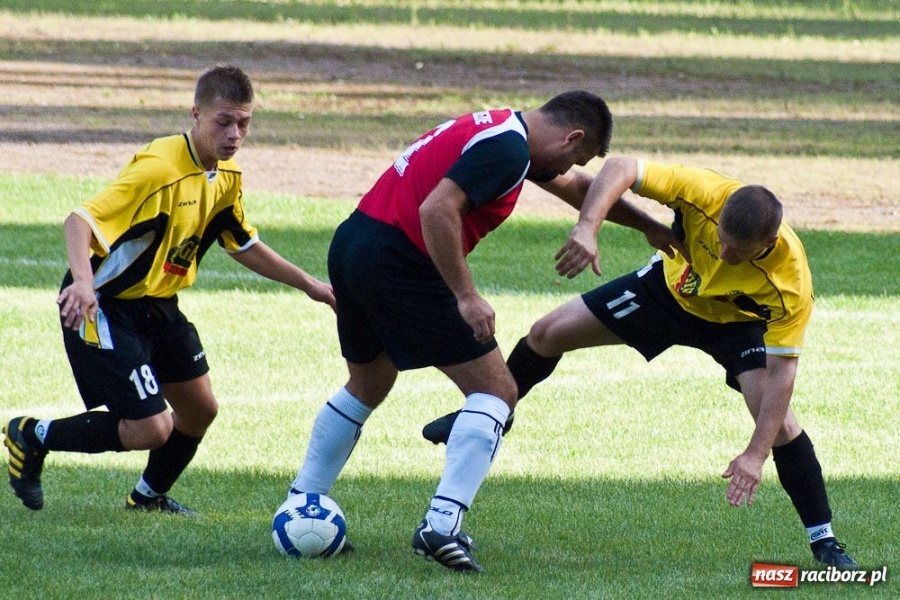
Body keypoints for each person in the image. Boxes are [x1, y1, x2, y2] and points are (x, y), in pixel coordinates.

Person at [422, 156, 858, 570]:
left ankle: (824, 541)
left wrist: (754, 455)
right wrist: (588, 226)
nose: (724, 255)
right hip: (667, 291)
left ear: (769, 242)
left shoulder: (790, 282)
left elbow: (784, 374)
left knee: (778, 425)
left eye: (737, 253)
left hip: (736, 327)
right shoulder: (705, 192)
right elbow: (621, 168)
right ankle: (487, 416)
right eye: (721, 240)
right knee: (545, 334)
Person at [285, 91, 632, 572]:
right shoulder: (508, 150)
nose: (568, 166)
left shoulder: (504, 133)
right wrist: (467, 297)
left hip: (355, 243)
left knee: (368, 384)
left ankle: (302, 500)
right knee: (497, 390)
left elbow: (577, 188)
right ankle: (441, 526)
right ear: (571, 136)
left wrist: (652, 229)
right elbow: (436, 211)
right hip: (400, 259)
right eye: (576, 155)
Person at [3, 65, 335, 515]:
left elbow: (243, 243)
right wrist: (83, 283)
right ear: (196, 114)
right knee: (151, 429)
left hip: (158, 305)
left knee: (200, 410)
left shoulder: (226, 176)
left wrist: (311, 286)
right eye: (224, 121)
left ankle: (147, 498)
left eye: (244, 123)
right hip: (103, 306)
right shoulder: (159, 168)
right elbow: (79, 220)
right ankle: (31, 433)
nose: (235, 134)